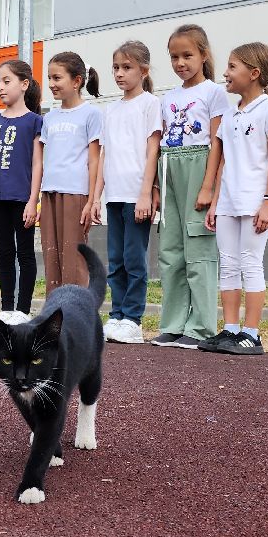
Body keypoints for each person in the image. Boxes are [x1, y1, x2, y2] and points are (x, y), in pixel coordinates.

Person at [200, 42, 268, 357]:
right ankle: (231, 329)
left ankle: (252, 334)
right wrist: (214, 203)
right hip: (227, 202)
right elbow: (223, 161)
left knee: (251, 264)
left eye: (232, 66)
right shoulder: (229, 114)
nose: (226, 72)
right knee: (228, 264)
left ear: (254, 73)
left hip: (254, 202)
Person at [155, 24, 229, 349]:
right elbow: (161, 145)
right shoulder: (168, 97)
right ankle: (173, 323)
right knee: (171, 249)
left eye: (187, 55)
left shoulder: (214, 93)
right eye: (174, 57)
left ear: (203, 54)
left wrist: (208, 186)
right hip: (170, 166)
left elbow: (218, 143)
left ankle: (200, 326)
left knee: (199, 248)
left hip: (200, 166)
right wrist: (158, 186)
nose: (181, 62)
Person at [89, 41, 161, 344]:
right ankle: (117, 314)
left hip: (136, 195)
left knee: (134, 258)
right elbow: (103, 155)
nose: (119, 73)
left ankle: (133, 318)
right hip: (114, 195)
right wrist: (95, 197)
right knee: (115, 258)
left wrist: (146, 193)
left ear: (143, 71)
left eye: (127, 67)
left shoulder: (150, 104)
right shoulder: (110, 109)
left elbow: (152, 149)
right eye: (116, 68)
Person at [0, 59, 44, 324]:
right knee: (4, 253)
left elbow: (38, 163)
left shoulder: (35, 121)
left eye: (7, 81)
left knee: (25, 254)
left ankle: (23, 310)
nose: (1, 88)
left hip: (22, 199)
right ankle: (7, 307)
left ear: (24, 84)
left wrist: (32, 201)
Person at [39, 52, 102, 293]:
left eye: (57, 78)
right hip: (50, 193)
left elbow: (95, 160)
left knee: (74, 257)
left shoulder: (91, 114)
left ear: (76, 81)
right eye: (49, 78)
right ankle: (53, 315)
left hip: (76, 193)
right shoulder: (50, 117)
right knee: (51, 256)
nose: (52, 84)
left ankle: (76, 312)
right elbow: (45, 159)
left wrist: (92, 200)